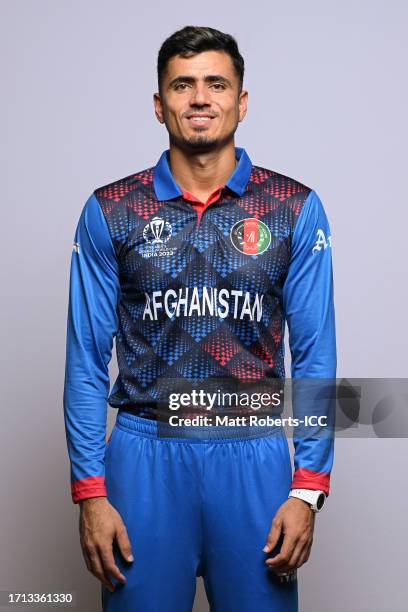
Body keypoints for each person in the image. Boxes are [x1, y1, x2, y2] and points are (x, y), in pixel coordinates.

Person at [63, 25, 336, 612]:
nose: (200, 99)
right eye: (182, 85)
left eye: (217, 84)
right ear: (160, 105)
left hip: (255, 454)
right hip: (144, 457)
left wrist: (308, 489)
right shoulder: (110, 210)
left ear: (241, 102)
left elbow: (316, 356)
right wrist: (90, 491)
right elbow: (85, 359)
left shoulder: (293, 208)